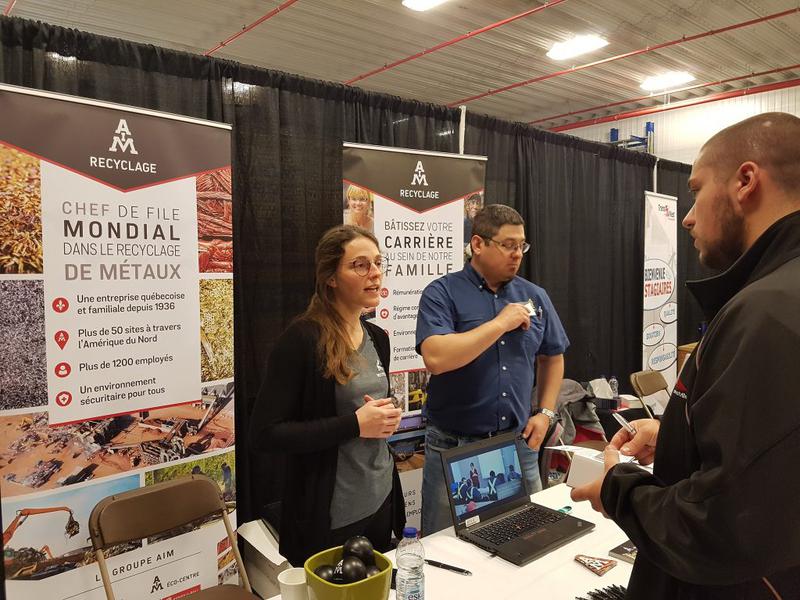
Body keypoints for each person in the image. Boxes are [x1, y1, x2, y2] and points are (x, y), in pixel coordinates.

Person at [571, 112, 800, 599]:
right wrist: (679, 435)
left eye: (696, 191)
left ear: (745, 181)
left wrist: (616, 487)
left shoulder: (768, 313)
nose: (688, 217)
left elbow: (721, 527)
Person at [249, 224, 405, 566]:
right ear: (331, 277)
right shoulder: (303, 340)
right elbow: (265, 434)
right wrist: (355, 424)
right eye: (360, 265)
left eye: (378, 262)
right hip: (329, 517)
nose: (375, 272)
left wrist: (385, 416)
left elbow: (365, 408)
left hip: (380, 499)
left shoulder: (378, 338)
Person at [416, 204, 569, 534]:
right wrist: (500, 323)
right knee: (442, 544)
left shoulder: (534, 296)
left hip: (517, 443)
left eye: (522, 245)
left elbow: (552, 357)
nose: (517, 254)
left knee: (527, 536)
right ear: (478, 244)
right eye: (508, 245)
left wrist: (545, 413)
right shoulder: (442, 293)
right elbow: (437, 358)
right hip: (452, 446)